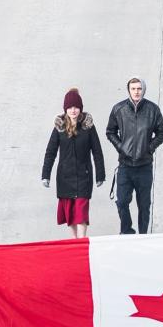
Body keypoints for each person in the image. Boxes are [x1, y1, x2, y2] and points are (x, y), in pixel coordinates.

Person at [41, 88, 106, 239]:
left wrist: (100, 175)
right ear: (65, 109)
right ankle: (74, 241)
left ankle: (82, 240)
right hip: (65, 177)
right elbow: (50, 152)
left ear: (80, 108)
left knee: (81, 212)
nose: (73, 110)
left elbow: (97, 151)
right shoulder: (59, 128)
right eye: (70, 107)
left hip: (84, 176)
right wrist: (46, 175)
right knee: (70, 212)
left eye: (76, 107)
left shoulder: (88, 127)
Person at [106, 79, 163, 235]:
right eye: (133, 88)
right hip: (125, 166)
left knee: (144, 205)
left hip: (144, 166)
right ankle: (127, 232)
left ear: (143, 90)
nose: (136, 91)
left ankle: (143, 236)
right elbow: (110, 132)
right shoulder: (118, 109)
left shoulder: (152, 109)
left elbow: (162, 132)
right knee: (121, 202)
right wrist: (121, 147)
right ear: (128, 90)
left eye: (139, 88)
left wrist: (149, 148)